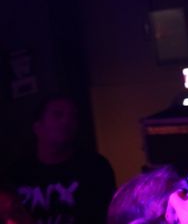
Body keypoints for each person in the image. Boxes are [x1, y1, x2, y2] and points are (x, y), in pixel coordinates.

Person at [8, 94, 116, 224]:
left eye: (73, 116)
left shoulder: (95, 167)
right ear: (37, 126)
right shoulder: (17, 174)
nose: (66, 121)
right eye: (58, 114)